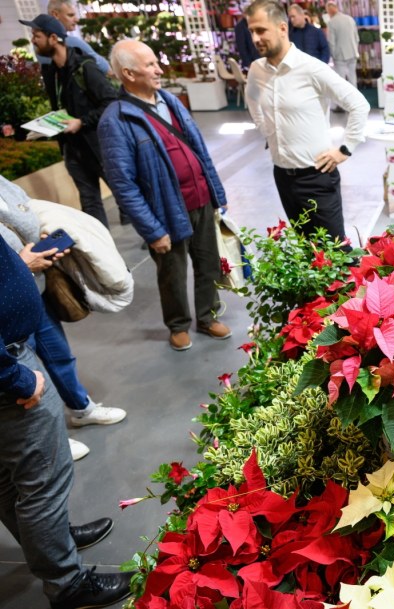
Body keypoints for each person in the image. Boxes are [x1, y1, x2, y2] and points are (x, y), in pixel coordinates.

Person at [0, 239, 134, 609]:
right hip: (8, 369)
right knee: (42, 481)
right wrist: (16, 378)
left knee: (9, 479)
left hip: (8, 357)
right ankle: (67, 584)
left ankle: (50, 543)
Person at [98, 39, 232, 352]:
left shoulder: (170, 101)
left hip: (201, 198)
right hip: (165, 210)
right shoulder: (116, 120)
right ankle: (178, 324)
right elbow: (123, 184)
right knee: (172, 273)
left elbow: (199, 150)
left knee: (209, 264)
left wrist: (216, 192)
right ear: (129, 74)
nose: (159, 70)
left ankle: (208, 315)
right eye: (150, 65)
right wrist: (152, 230)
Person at [0, 177, 126, 461]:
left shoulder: (3, 182)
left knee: (60, 355)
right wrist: (22, 264)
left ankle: (82, 408)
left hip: (36, 288)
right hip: (10, 307)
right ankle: (51, 437)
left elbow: (27, 208)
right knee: (27, 372)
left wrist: (44, 242)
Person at [245, 0, 369, 241]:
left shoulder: (311, 68)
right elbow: (253, 103)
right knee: (305, 249)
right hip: (282, 176)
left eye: (261, 30)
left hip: (317, 177)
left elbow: (358, 104)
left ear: (282, 28)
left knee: (334, 251)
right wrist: (269, 132)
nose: (255, 38)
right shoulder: (256, 70)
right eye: (251, 31)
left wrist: (345, 149)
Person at [21, 14, 117, 229]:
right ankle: (103, 246)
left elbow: (111, 102)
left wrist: (81, 122)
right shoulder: (51, 72)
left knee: (125, 197)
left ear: (53, 38)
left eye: (36, 35)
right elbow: (61, 107)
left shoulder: (85, 67)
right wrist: (47, 125)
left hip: (99, 148)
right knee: (90, 203)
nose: (33, 40)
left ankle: (156, 238)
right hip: (73, 150)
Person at [38, 0, 111, 74]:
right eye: (70, 15)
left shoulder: (40, 43)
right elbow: (104, 67)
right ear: (55, 15)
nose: (76, 20)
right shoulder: (70, 42)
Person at [325, 0, 359, 111]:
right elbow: (357, 38)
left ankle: (341, 106)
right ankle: (355, 103)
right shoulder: (350, 19)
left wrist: (333, 55)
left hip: (340, 56)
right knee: (353, 79)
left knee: (341, 81)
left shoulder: (332, 22)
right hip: (353, 52)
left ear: (329, 11)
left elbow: (331, 42)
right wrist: (355, 49)